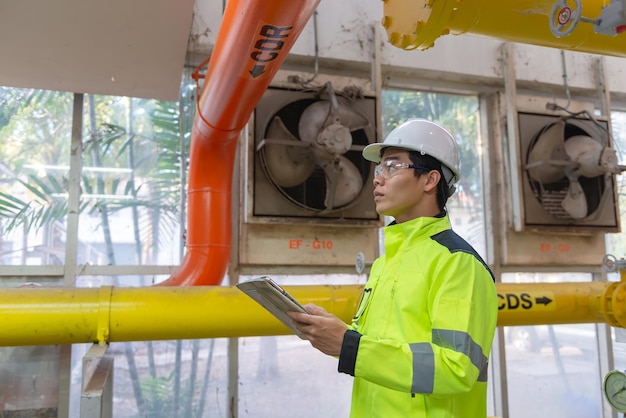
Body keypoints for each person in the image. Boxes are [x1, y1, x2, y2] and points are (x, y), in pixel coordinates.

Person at [289, 118, 499, 417]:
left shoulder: (457, 263)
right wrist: (339, 334)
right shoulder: (385, 264)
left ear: (430, 180)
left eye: (393, 166)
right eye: (379, 169)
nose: (377, 179)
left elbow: (457, 369)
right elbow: (388, 348)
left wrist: (351, 347)